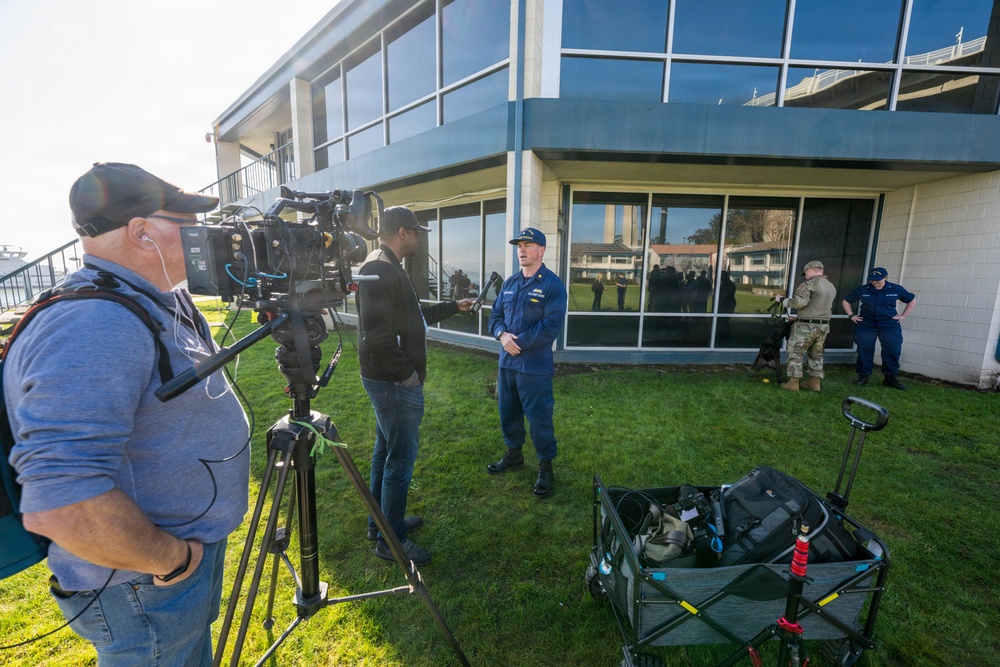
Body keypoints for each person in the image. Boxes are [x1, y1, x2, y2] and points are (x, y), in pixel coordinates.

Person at [4, 162, 250, 665]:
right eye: (188, 223)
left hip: (166, 570)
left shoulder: (157, 295)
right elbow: (64, 501)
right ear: (142, 232)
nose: (204, 235)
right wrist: (173, 560)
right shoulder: (93, 323)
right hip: (142, 581)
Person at [356, 206, 475, 565]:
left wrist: (455, 305)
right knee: (399, 460)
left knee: (384, 452)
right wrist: (407, 375)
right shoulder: (379, 268)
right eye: (417, 232)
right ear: (403, 232)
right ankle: (392, 540)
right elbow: (376, 335)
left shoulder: (389, 265)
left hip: (389, 382)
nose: (420, 238)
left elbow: (415, 315)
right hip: (393, 384)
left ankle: (381, 524)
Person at [486, 228, 567, 498]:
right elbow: (495, 315)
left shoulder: (552, 286)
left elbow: (550, 327)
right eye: (519, 245)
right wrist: (501, 334)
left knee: (539, 417)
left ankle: (545, 466)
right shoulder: (510, 283)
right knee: (507, 413)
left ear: (541, 250)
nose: (521, 250)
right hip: (507, 365)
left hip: (534, 367)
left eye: (528, 245)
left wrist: (516, 342)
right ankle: (514, 454)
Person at [841, 267, 917, 390]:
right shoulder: (863, 289)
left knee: (892, 350)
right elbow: (846, 300)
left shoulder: (895, 289)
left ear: (885, 278)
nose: (875, 282)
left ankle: (890, 378)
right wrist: (851, 315)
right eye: (872, 280)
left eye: (878, 280)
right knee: (865, 350)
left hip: (889, 324)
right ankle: (863, 377)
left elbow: (911, 300)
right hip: (867, 324)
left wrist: (903, 315)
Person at [771, 260, 836, 392]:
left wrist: (781, 299)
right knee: (816, 355)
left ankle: (793, 384)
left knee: (795, 353)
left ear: (810, 269)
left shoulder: (809, 284)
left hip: (806, 328)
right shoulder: (830, 286)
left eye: (805, 272)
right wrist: (799, 317)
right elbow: (817, 307)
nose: (805, 275)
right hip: (823, 327)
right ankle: (814, 383)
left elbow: (798, 303)